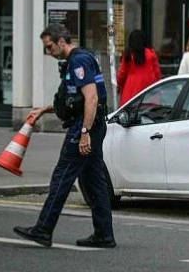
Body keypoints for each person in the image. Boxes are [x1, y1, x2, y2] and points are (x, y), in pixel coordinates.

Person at [13, 24, 115, 249]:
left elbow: (91, 99)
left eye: (49, 46)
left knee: (63, 176)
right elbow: (73, 100)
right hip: (91, 124)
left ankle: (43, 229)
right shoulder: (76, 61)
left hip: (87, 125)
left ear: (61, 41)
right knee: (93, 180)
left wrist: (84, 133)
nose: (48, 52)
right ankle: (104, 234)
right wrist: (44, 109)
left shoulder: (79, 61)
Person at [117, 30, 161, 107]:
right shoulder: (151, 54)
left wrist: (119, 86)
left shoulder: (128, 55)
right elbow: (157, 74)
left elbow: (121, 75)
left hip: (130, 94)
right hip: (150, 94)